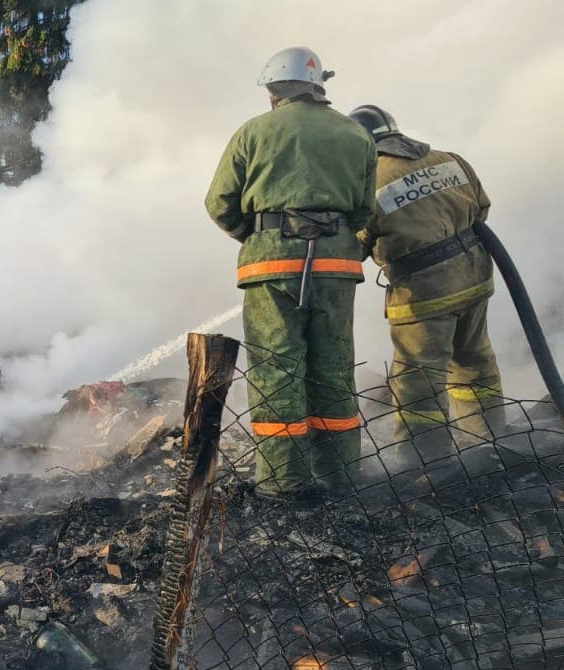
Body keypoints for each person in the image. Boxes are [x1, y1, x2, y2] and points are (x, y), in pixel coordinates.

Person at [205, 47, 377, 503]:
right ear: (319, 85)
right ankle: (339, 474)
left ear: (272, 92)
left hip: (272, 267)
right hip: (338, 268)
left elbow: (219, 202)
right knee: (334, 368)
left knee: (277, 369)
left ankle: (284, 483)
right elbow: (363, 209)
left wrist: (262, 234)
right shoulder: (355, 134)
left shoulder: (253, 132)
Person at [349, 105, 502, 464]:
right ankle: (490, 445)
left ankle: (426, 463)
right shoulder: (449, 159)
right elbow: (481, 208)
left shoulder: (367, 182)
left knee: (419, 380)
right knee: (474, 363)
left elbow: (353, 246)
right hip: (475, 277)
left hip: (423, 294)